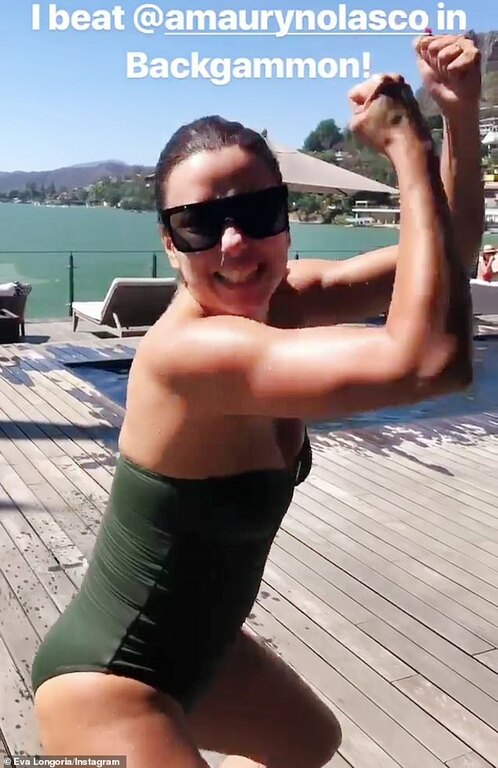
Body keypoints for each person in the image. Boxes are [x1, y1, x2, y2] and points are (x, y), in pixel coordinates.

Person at [31, 35, 482, 768]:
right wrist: (408, 153)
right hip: (109, 682)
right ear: (169, 244)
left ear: (287, 218)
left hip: (205, 649)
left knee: (308, 742)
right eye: (200, 225)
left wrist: (457, 113)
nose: (235, 244)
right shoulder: (188, 355)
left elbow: (451, 253)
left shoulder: (290, 300)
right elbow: (431, 362)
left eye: (259, 211)